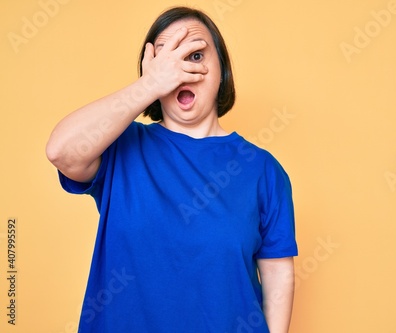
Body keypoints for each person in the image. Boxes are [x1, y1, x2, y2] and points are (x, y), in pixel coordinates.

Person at [46, 6, 298, 333]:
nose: (179, 67)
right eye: (165, 58)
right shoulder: (121, 147)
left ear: (222, 70)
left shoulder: (264, 170)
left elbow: (278, 273)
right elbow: (61, 151)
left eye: (194, 55)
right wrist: (148, 86)